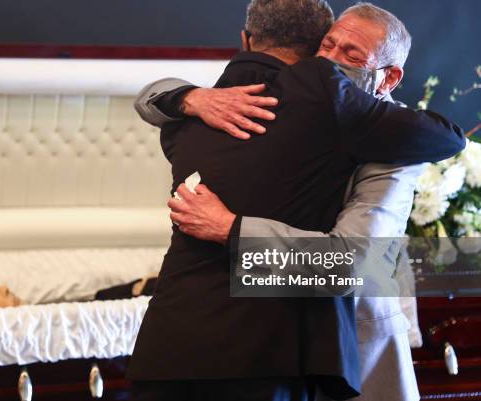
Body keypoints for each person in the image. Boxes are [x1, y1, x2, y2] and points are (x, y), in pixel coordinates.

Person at [127, 1, 466, 400]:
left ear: (389, 77)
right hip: (262, 349)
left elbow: (352, 267)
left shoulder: (396, 143)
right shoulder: (229, 105)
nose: (331, 62)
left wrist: (230, 229)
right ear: (310, 50)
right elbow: (153, 97)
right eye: (328, 46)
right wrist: (188, 97)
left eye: (351, 55)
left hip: (327, 342)